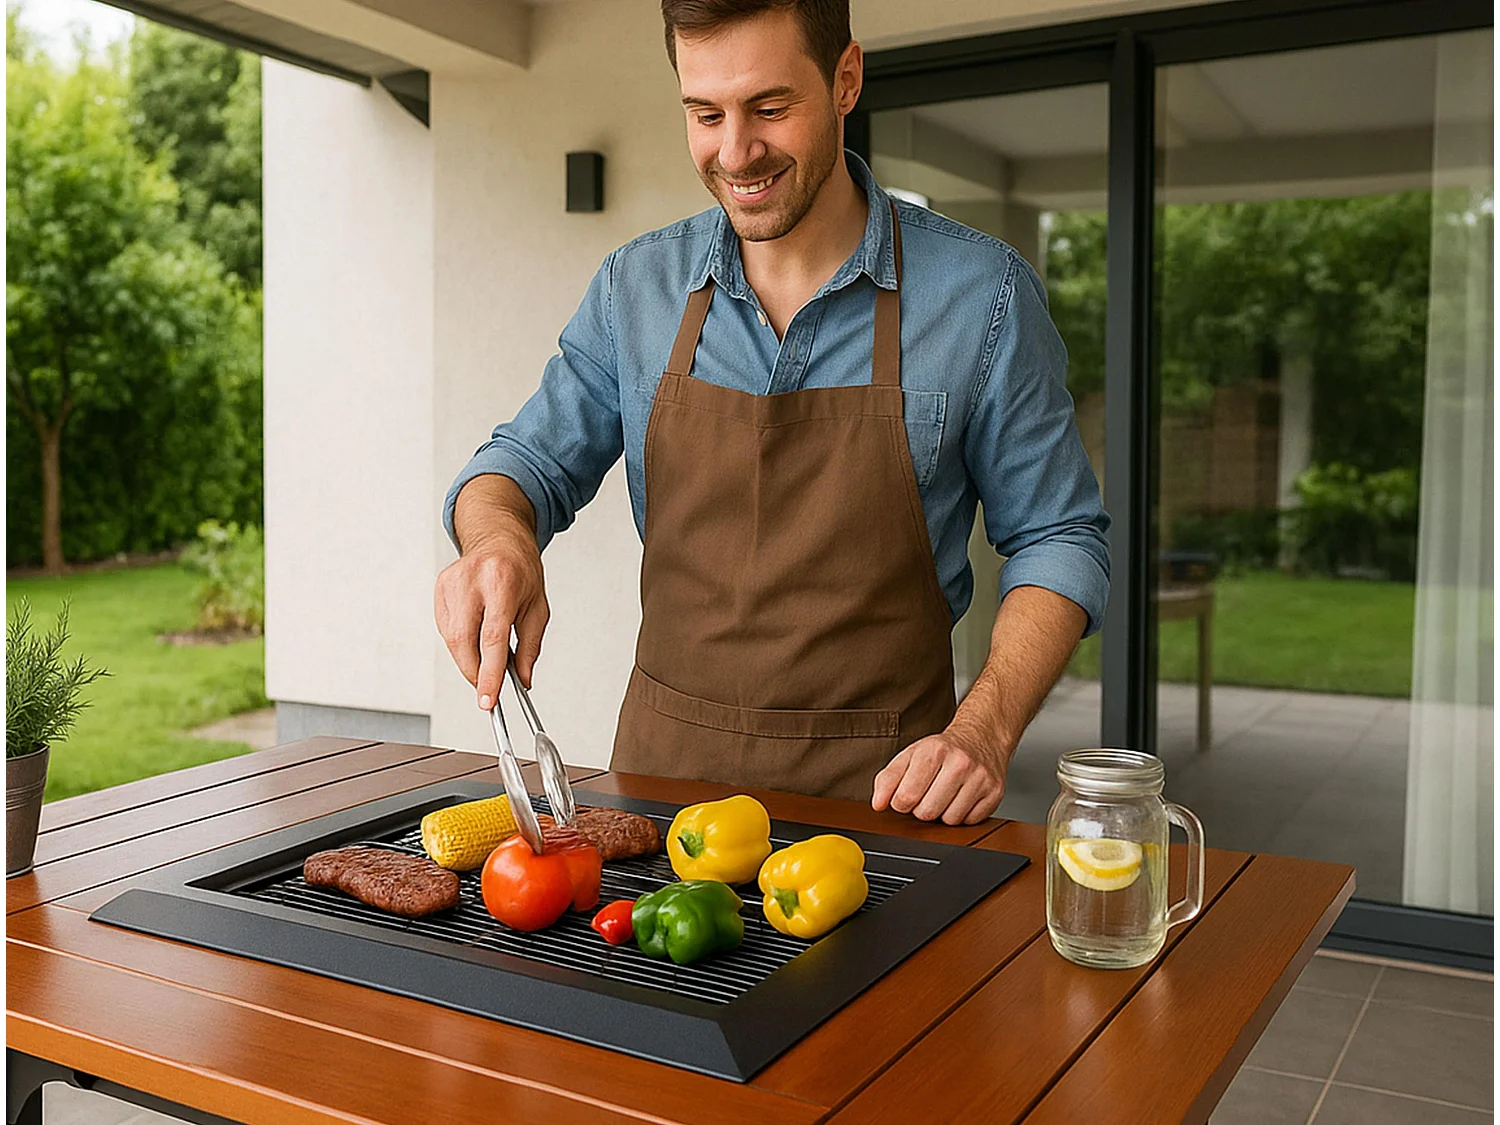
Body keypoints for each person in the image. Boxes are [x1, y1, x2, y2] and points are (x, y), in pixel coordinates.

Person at [435, 0, 1109, 826]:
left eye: (770, 108)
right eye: (705, 114)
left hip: (886, 812)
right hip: (659, 808)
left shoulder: (983, 298)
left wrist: (985, 728)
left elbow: (1059, 537)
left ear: (846, 80)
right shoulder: (635, 290)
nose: (736, 151)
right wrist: (499, 541)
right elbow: (517, 469)